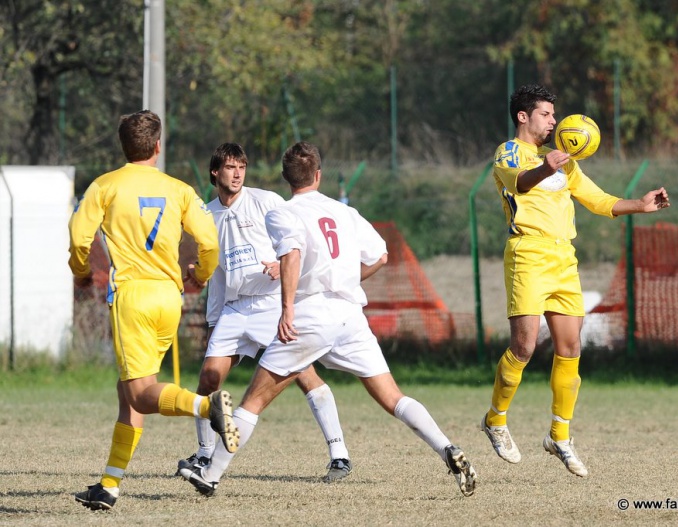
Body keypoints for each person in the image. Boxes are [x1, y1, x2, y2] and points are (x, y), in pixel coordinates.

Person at [178, 141, 477, 497]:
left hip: (311, 315)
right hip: (350, 316)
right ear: (318, 175)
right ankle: (447, 448)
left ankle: (210, 475)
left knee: (252, 402)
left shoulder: (281, 212)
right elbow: (380, 255)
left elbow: (291, 254)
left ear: (286, 178)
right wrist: (349, 280)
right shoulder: (343, 211)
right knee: (393, 397)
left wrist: (287, 309)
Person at [480, 84, 670, 477]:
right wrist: (544, 167)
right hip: (528, 253)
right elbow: (519, 182)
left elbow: (597, 199)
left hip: (563, 257)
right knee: (525, 346)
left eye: (553, 114)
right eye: (546, 114)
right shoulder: (509, 152)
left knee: (570, 347)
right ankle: (495, 420)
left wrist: (640, 204)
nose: (553, 120)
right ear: (523, 116)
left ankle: (559, 435)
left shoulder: (566, 162)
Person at [68, 110, 239, 511]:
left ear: (123, 146)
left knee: (142, 395)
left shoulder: (105, 185)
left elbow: (79, 238)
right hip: (169, 297)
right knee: (128, 393)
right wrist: (201, 273)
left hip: (133, 297)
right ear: (158, 147)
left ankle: (206, 406)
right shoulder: (179, 189)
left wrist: (80, 274)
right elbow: (209, 240)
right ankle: (109, 485)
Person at [178, 142, 353, 483]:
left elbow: (297, 239)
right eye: (230, 167)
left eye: (241, 166)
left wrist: (280, 262)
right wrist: (202, 283)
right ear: (216, 172)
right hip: (233, 309)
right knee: (208, 379)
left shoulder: (265, 201)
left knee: (305, 375)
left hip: (271, 305)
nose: (238, 172)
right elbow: (215, 269)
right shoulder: (206, 214)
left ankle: (339, 454)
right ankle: (202, 455)